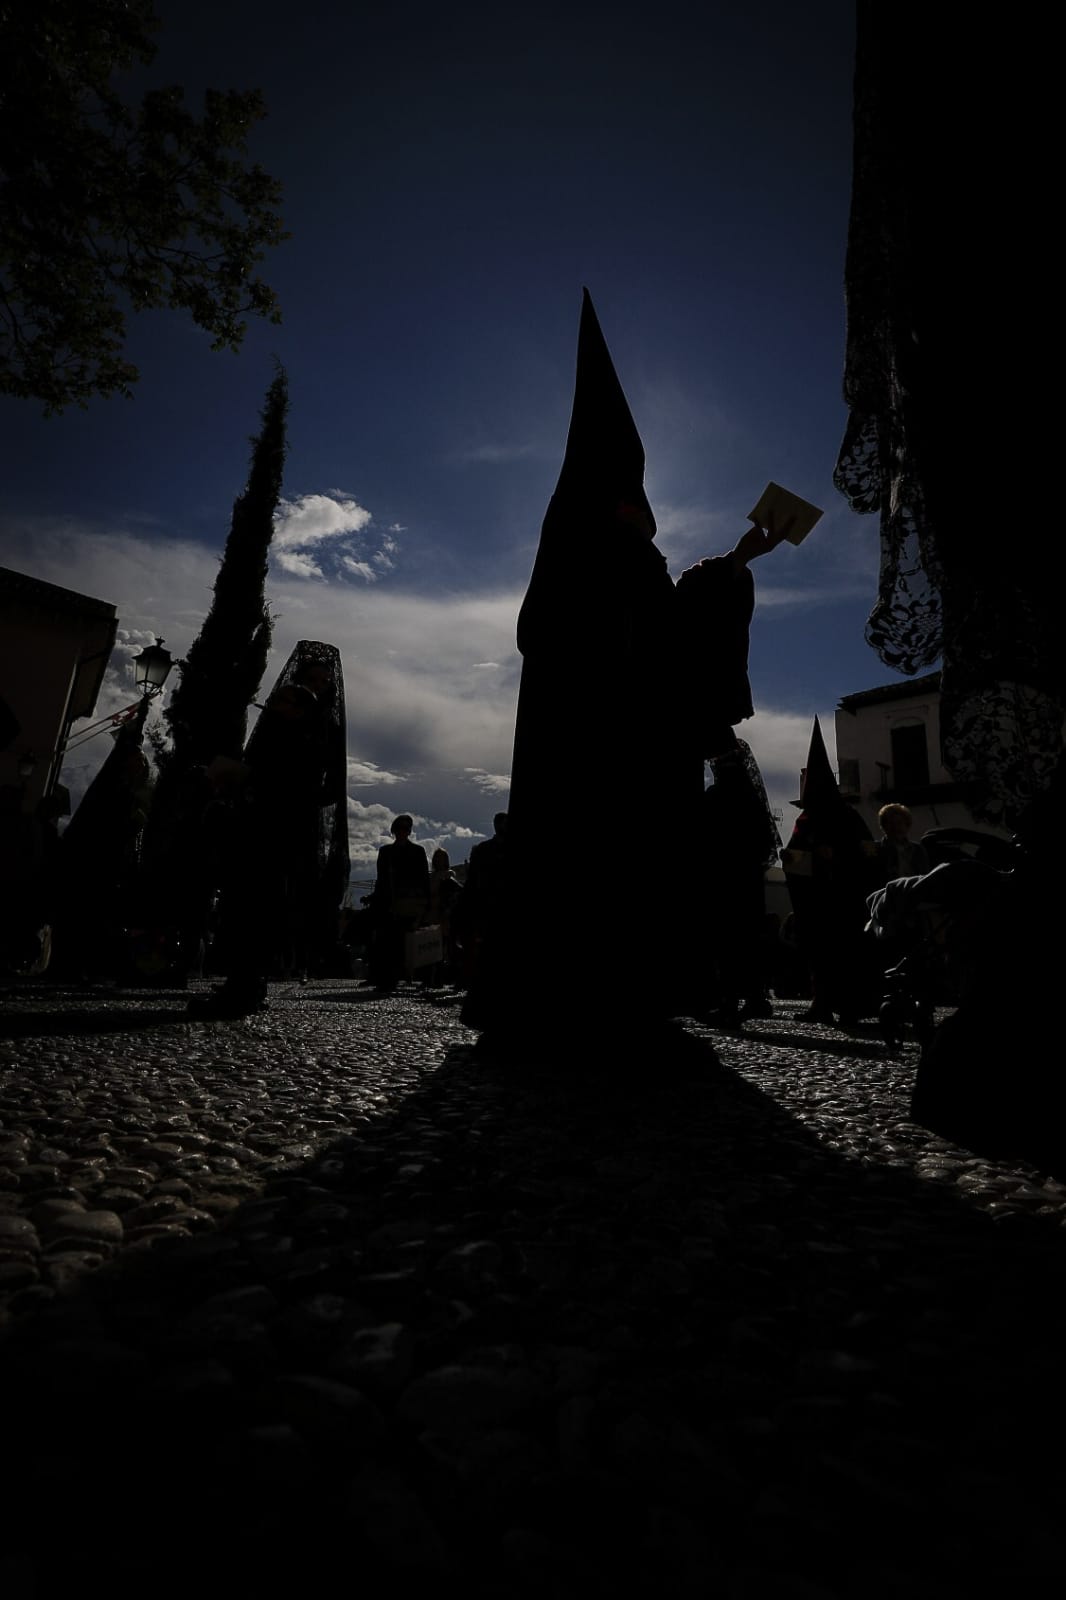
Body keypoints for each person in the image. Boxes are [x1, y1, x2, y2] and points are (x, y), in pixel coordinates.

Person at [461, 290, 788, 1044]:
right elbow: (556, 628)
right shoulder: (578, 548)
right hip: (586, 741)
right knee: (580, 865)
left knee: (637, 868)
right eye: (631, 498)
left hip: (640, 741)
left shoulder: (635, 559)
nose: (644, 511)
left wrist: (737, 560)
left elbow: (674, 618)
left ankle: (636, 989)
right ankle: (566, 993)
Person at [782, 718, 882, 1027]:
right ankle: (823, 1004)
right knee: (821, 954)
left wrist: (837, 858)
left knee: (845, 953)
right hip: (818, 901)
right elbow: (796, 858)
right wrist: (795, 859)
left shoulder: (844, 817)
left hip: (845, 898)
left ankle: (849, 1006)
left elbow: (869, 852)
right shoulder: (808, 820)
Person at [369, 814, 430, 992]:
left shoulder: (418, 851)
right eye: (399, 828)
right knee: (388, 942)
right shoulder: (385, 851)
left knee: (406, 942)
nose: (402, 832)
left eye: (405, 828)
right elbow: (381, 879)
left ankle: (405, 977)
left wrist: (424, 903)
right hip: (389, 903)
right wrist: (377, 900)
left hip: (410, 903)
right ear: (394, 831)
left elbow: (423, 878)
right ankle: (387, 979)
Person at [875, 803, 930, 884]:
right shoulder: (877, 849)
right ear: (884, 826)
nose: (896, 827)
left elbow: (925, 877)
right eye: (891, 823)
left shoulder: (918, 849)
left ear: (907, 825)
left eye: (899, 823)